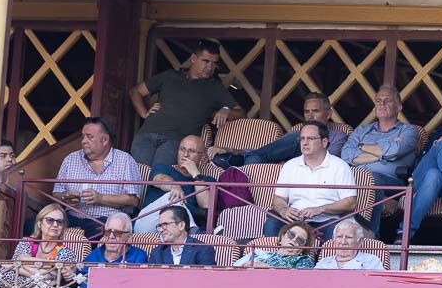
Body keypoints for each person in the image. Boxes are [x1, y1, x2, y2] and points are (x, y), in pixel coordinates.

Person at [130, 39, 243, 167]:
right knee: (136, 177)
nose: (210, 67)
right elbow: (136, 91)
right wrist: (144, 113)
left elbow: (240, 112)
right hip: (147, 134)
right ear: (193, 58)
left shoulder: (214, 87)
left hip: (176, 141)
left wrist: (226, 109)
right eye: (206, 61)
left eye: (214, 63)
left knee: (160, 178)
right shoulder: (170, 76)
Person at [341, 86, 419, 234]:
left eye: (387, 100)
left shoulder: (409, 131)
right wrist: (382, 152)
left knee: (372, 178)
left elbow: (396, 150)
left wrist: (361, 147)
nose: (381, 104)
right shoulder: (362, 130)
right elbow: (345, 155)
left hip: (391, 182)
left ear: (399, 107)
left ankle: (371, 233)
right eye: (378, 101)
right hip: (354, 178)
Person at [265, 122, 356, 241]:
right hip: (295, 221)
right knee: (272, 224)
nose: (305, 142)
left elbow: (350, 203)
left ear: (324, 142)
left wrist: (320, 209)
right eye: (302, 138)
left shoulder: (340, 166)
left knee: (337, 231)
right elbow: (278, 198)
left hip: (327, 221)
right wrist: (284, 210)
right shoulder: (290, 165)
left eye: (311, 138)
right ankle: (275, 259)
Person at [55, 117, 142, 239]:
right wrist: (66, 197)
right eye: (83, 136)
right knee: (34, 224)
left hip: (106, 220)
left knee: (100, 232)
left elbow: (133, 200)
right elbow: (56, 194)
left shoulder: (125, 160)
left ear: (104, 139)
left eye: (89, 137)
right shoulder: (71, 159)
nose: (84, 141)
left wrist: (100, 198)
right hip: (72, 217)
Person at [213, 92, 348, 167]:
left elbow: (330, 159)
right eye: (306, 112)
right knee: (254, 160)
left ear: (329, 114)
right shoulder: (297, 131)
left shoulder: (338, 135)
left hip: (309, 170)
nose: (310, 116)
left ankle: (238, 159)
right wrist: (229, 149)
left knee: (297, 136)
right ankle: (243, 158)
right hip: (289, 169)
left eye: (315, 111)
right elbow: (274, 150)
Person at [136, 134, 216, 233]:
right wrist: (174, 185)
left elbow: (207, 206)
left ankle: (191, 230)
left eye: (191, 151)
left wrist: (196, 175)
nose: (185, 154)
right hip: (148, 224)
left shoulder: (207, 180)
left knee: (176, 203)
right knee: (172, 196)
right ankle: (193, 230)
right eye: (182, 149)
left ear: (203, 156)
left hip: (178, 230)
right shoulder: (163, 168)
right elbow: (159, 179)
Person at [398, 123, 442, 242]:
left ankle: (404, 232)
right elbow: (422, 157)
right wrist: (437, 143)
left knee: (433, 175)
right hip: (421, 178)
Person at [80, 212, 147, 288]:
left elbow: (138, 286)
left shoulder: (138, 256)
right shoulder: (95, 255)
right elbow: (80, 278)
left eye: (117, 233)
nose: (111, 237)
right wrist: (73, 276)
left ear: (129, 237)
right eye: (108, 232)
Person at [149, 206, 216, 266]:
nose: (161, 230)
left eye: (165, 224)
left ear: (181, 225)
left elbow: (207, 278)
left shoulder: (203, 250)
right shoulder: (157, 253)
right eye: (160, 226)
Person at [235, 222, 316, 269]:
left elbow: (300, 282)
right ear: (282, 237)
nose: (294, 240)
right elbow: (232, 270)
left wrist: (267, 268)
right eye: (291, 234)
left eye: (300, 240)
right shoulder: (258, 253)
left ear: (302, 248)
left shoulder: (305, 260)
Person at [316, 219, 385, 270]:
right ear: (334, 239)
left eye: (349, 237)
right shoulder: (323, 263)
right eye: (339, 237)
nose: (343, 242)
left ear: (360, 241)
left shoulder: (371, 261)